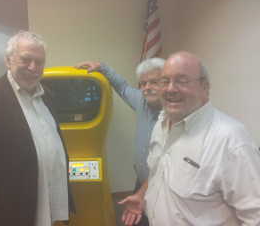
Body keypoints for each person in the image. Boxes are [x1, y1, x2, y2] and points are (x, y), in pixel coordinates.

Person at [120, 51, 260, 225]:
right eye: (165, 81)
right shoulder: (162, 122)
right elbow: (158, 170)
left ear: (204, 87)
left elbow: (255, 217)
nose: (171, 88)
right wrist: (142, 195)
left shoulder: (230, 140)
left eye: (182, 80)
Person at [0, 31, 74, 226]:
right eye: (26, 59)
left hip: (51, 208)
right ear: (8, 60)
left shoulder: (47, 96)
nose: (33, 67)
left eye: (40, 62)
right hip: (10, 213)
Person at [76, 59, 164, 226]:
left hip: (163, 186)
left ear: (167, 82)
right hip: (142, 179)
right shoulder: (142, 100)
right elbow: (122, 87)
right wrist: (102, 67)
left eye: (154, 82)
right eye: (143, 83)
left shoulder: (175, 113)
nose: (147, 87)